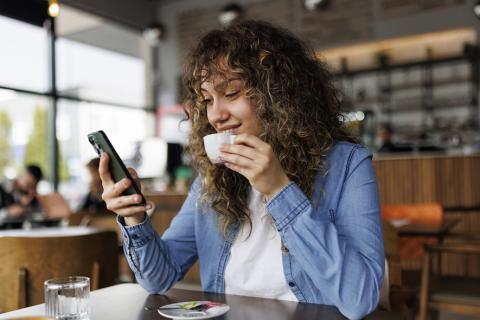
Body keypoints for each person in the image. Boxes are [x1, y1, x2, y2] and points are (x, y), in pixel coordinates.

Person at [99, 21, 384, 319]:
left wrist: (279, 190)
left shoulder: (347, 165)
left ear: (279, 94)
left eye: (232, 93)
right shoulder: (213, 180)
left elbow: (359, 299)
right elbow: (158, 278)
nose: (216, 115)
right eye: (208, 100)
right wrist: (134, 217)